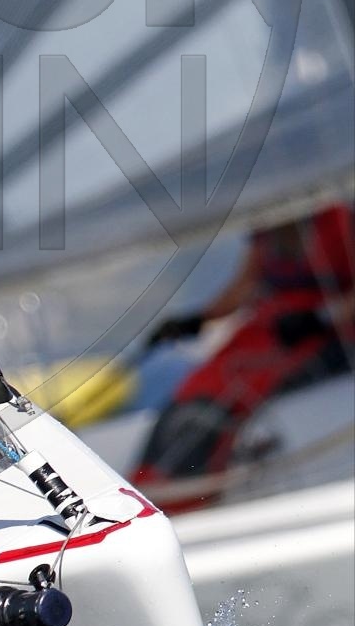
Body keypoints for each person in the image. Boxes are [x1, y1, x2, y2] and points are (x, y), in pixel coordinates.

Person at [132, 204, 355, 509]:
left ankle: (194, 489)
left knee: (243, 388)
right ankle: (153, 483)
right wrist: (196, 320)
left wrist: (321, 317)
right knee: (202, 384)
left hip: (329, 334)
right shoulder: (266, 229)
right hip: (272, 327)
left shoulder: (338, 217)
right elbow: (245, 286)